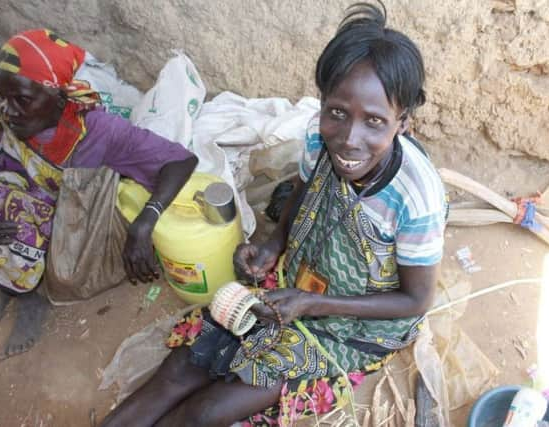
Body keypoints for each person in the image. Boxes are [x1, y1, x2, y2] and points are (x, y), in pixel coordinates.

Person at [101, 2, 447, 426]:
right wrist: (273, 242)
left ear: (403, 122)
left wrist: (313, 304)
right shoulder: (320, 140)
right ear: (322, 103)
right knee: (180, 369)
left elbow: (416, 299)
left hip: (351, 328)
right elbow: (303, 190)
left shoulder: (415, 196)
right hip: (293, 285)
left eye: (374, 121)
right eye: (337, 112)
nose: (349, 140)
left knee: (206, 412)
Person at [0, 29, 198, 359]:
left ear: (59, 97)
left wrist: (146, 221)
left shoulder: (97, 130)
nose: (9, 110)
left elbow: (181, 161)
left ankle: (34, 296)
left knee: (14, 212)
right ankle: (11, 281)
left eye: (23, 100)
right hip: (20, 209)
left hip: (70, 227)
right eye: (3, 95)